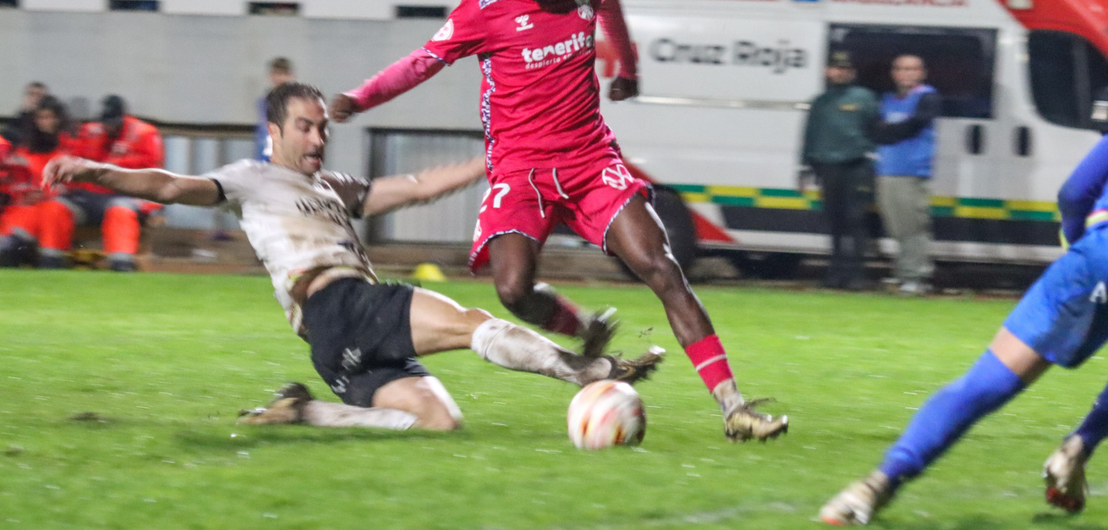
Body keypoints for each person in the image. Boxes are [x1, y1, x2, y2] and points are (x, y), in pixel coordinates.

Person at [330, 0, 788, 441]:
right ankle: (586, 327)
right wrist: (361, 98)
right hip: (520, 170)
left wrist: (628, 68)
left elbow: (610, 2)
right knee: (512, 289)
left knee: (661, 266)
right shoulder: (485, 7)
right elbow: (423, 61)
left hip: (590, 161)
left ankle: (734, 407)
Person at [42, 82, 664, 431]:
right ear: (275, 133)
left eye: (323, 127)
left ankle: (306, 411)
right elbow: (169, 185)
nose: (319, 137)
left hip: (331, 339)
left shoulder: (333, 187)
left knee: (438, 422)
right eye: (305, 127)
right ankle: (587, 370)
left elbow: (416, 187)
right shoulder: (249, 178)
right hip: (338, 302)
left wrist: (493, 160)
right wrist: (93, 170)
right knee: (471, 323)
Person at [818, 69, 1108, 525]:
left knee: (990, 379)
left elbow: (1076, 190)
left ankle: (874, 486)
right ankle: (1081, 444)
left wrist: (1079, 248)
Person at [40, 95, 164, 271]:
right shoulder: (90, 131)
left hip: (126, 195)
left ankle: (121, 264)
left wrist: (112, 165)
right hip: (88, 196)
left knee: (119, 209)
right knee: (55, 207)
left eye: (113, 123)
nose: (109, 127)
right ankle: (50, 261)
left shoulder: (144, 133)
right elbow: (72, 157)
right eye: (106, 123)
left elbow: (151, 170)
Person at [800, 51, 877, 290]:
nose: (840, 72)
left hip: (856, 166)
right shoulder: (820, 102)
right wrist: (805, 167)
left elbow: (876, 130)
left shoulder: (864, 98)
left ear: (852, 72)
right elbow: (810, 135)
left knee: (855, 221)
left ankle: (856, 274)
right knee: (834, 222)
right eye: (836, 68)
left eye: (845, 68)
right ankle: (835, 273)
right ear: (827, 71)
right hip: (827, 168)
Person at [873, 55, 940, 295]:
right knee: (897, 228)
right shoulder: (888, 99)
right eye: (902, 69)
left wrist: (888, 132)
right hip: (887, 170)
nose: (907, 73)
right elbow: (874, 129)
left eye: (912, 69)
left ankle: (915, 277)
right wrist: (889, 132)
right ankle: (903, 273)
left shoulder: (927, 97)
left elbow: (915, 125)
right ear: (894, 73)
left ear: (922, 73)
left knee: (913, 227)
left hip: (912, 171)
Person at [0, 96, 77, 267]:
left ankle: (50, 258)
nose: (45, 122)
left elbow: (75, 183)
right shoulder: (25, 149)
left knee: (52, 209)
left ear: (59, 119)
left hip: (62, 203)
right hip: (28, 205)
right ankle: (14, 247)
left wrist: (47, 192)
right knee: (21, 212)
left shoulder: (70, 146)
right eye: (41, 118)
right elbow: (15, 180)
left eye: (49, 117)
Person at [257, 57, 295, 161]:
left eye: (284, 74)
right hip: (266, 152)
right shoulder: (265, 101)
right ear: (271, 76)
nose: (280, 78)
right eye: (277, 74)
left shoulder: (296, 103)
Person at [2, 81, 48, 146]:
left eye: (39, 95)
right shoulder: (13, 125)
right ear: (25, 97)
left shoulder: (53, 126)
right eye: (31, 94)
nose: (35, 98)